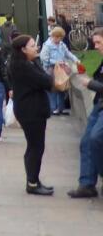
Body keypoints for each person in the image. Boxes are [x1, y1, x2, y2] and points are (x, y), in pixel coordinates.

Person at [8, 34, 55, 195]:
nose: (37, 47)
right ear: (23, 49)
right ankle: (32, 183)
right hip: (31, 110)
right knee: (36, 147)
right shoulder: (23, 67)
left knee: (33, 146)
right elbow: (47, 82)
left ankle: (33, 179)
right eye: (33, 45)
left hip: (30, 109)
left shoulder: (27, 63)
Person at [68, 27, 103, 199]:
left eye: (98, 42)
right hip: (98, 105)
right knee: (86, 142)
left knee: (97, 138)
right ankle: (87, 184)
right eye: (94, 42)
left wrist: (90, 84)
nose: (95, 46)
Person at [40, 26, 80, 116]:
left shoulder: (61, 45)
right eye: (57, 37)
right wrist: (57, 62)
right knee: (53, 89)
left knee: (62, 88)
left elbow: (68, 53)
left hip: (60, 69)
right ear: (54, 36)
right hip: (50, 69)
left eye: (60, 37)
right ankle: (53, 108)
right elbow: (44, 59)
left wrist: (76, 60)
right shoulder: (47, 46)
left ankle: (60, 108)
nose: (59, 39)